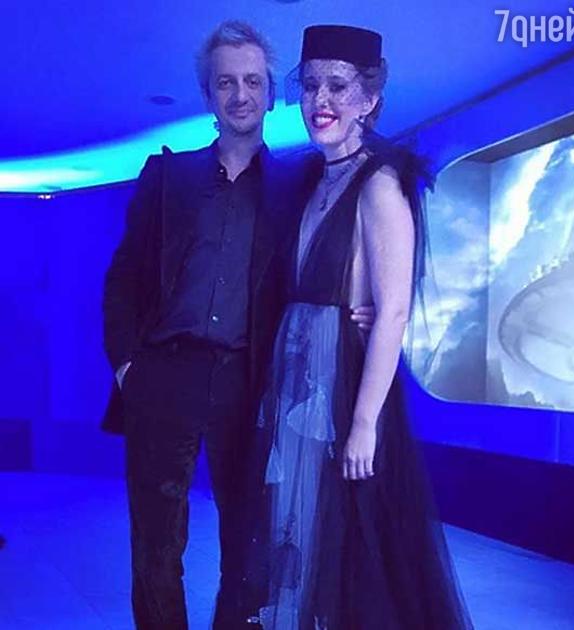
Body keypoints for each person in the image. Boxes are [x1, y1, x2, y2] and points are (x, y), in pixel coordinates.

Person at [101, 20, 374, 630]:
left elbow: (333, 255)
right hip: (163, 376)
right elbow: (122, 279)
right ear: (208, 94)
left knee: (249, 546)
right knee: (155, 545)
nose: (240, 94)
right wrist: (127, 367)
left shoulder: (299, 183)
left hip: (249, 384)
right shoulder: (165, 177)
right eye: (226, 82)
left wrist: (363, 304)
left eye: (252, 81)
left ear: (271, 93)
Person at [249, 25, 473, 629]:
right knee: (299, 533)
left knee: (353, 546)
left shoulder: (379, 182)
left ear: (370, 98)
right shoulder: (314, 177)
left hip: (344, 384)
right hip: (299, 377)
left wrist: (365, 424)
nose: (320, 100)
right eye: (311, 85)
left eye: (338, 86)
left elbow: (393, 311)